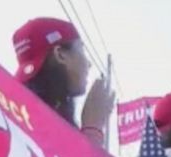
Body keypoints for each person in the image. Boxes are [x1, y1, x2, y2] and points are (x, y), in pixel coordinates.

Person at [12, 17, 115, 148]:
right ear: (60, 54)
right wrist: (93, 128)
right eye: (82, 50)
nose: (89, 64)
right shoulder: (39, 124)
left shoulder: (15, 113)